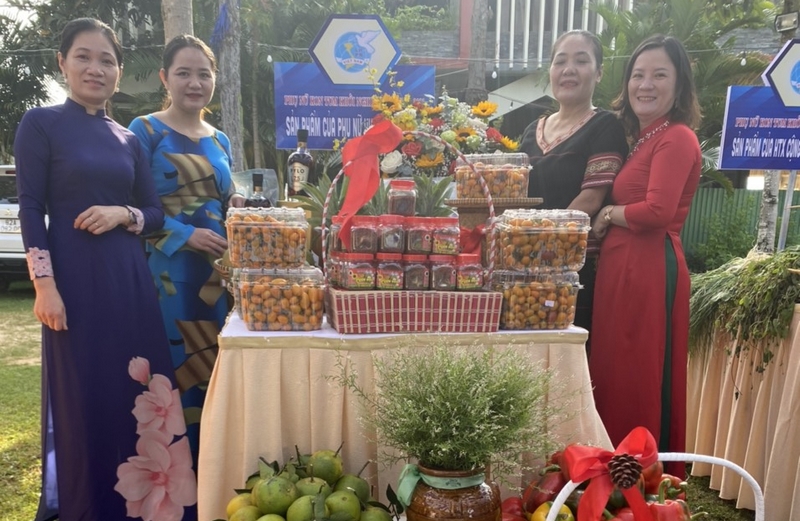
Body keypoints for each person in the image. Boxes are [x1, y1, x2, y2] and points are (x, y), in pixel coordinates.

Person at [15, 18, 195, 521]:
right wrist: (44, 285)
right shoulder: (41, 124)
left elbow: (153, 213)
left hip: (130, 283)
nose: (96, 69)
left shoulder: (127, 139)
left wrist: (122, 214)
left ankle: (150, 507)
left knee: (137, 392)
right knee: (84, 397)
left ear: (118, 70)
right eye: (84, 57)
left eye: (107, 60)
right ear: (62, 63)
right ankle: (89, 508)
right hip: (74, 284)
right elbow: (30, 208)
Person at [589, 35, 702, 475]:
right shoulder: (642, 139)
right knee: (614, 372)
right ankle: (608, 472)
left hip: (649, 268)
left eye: (659, 75)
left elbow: (658, 211)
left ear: (679, 84)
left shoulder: (677, 137)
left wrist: (609, 213)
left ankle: (643, 476)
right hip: (621, 269)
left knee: (638, 375)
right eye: (638, 75)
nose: (645, 84)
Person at [129, 34, 245, 462]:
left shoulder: (220, 139)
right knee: (173, 370)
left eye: (203, 74)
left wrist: (236, 204)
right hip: (168, 275)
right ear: (165, 77)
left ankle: (211, 470)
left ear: (214, 79)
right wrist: (185, 234)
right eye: (183, 73)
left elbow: (225, 196)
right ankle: (172, 474)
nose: (195, 83)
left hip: (216, 279)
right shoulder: (145, 130)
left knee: (214, 371)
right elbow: (133, 207)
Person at [519, 29, 628, 337]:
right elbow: (517, 197)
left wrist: (538, 246)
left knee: (568, 351)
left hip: (575, 269)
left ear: (598, 72)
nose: (568, 69)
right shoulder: (532, 130)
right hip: (523, 269)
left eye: (581, 61)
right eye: (560, 61)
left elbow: (591, 199)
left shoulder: (605, 126)